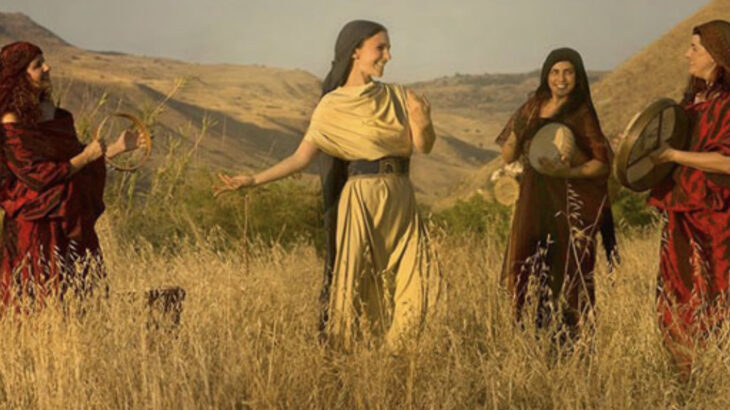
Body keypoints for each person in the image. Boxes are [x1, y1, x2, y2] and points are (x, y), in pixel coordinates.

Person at [214, 20, 442, 349]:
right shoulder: (332, 106)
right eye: (380, 48)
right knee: (359, 282)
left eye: (388, 48)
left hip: (402, 198)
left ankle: (400, 355)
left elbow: (424, 146)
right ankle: (352, 356)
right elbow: (300, 158)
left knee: (419, 280)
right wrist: (253, 180)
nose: (388, 56)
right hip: (362, 200)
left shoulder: (398, 95)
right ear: (355, 51)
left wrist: (423, 122)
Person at [0, 41, 139, 309]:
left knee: (82, 297)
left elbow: (75, 161)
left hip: (70, 215)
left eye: (44, 62)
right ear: (19, 75)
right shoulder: (10, 121)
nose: (47, 68)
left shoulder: (53, 112)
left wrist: (117, 148)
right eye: (37, 65)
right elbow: (36, 175)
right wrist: (86, 156)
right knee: (37, 297)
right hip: (36, 222)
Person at [496, 48, 617, 338]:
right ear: (546, 75)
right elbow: (508, 156)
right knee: (526, 262)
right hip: (533, 195)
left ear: (578, 77)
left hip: (566, 197)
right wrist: (518, 132)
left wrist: (568, 173)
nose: (561, 79)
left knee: (565, 267)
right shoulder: (532, 106)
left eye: (568, 72)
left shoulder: (582, 112)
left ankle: (570, 340)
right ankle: (528, 335)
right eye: (555, 72)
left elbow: (601, 164)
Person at [647, 20, 730, 374]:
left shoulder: (727, 105)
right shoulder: (691, 103)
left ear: (717, 54)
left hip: (716, 218)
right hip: (681, 210)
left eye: (695, 48)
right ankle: (685, 370)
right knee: (677, 290)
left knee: (714, 289)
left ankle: (716, 369)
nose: (687, 54)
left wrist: (673, 156)